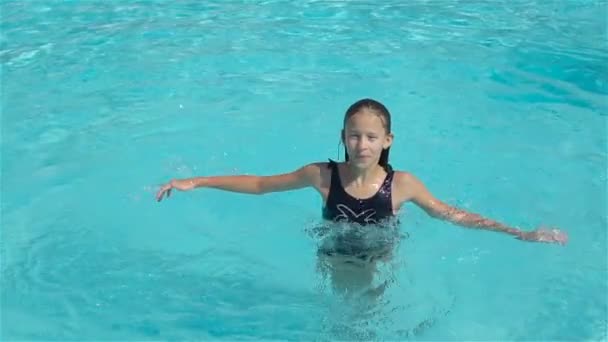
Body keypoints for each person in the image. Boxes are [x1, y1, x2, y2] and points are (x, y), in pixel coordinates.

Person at [155, 98, 568, 246]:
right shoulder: (322, 175)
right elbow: (263, 184)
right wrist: (197, 181)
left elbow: (452, 214)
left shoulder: (401, 184)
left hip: (380, 254)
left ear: (388, 140)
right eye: (354, 136)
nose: (362, 145)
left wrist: (520, 233)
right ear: (343, 137)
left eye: (372, 137)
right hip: (332, 249)